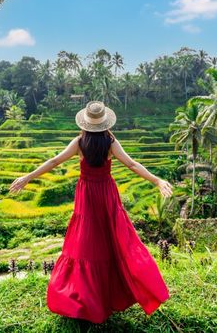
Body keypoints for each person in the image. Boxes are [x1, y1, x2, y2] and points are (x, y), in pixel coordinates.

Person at [9, 101, 172, 324]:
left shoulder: (79, 142)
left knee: (86, 243)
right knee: (112, 239)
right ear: (105, 123)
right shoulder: (111, 143)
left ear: (85, 123)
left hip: (86, 195)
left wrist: (28, 177)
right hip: (106, 194)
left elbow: (55, 160)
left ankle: (86, 299)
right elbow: (132, 164)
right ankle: (111, 294)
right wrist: (156, 180)